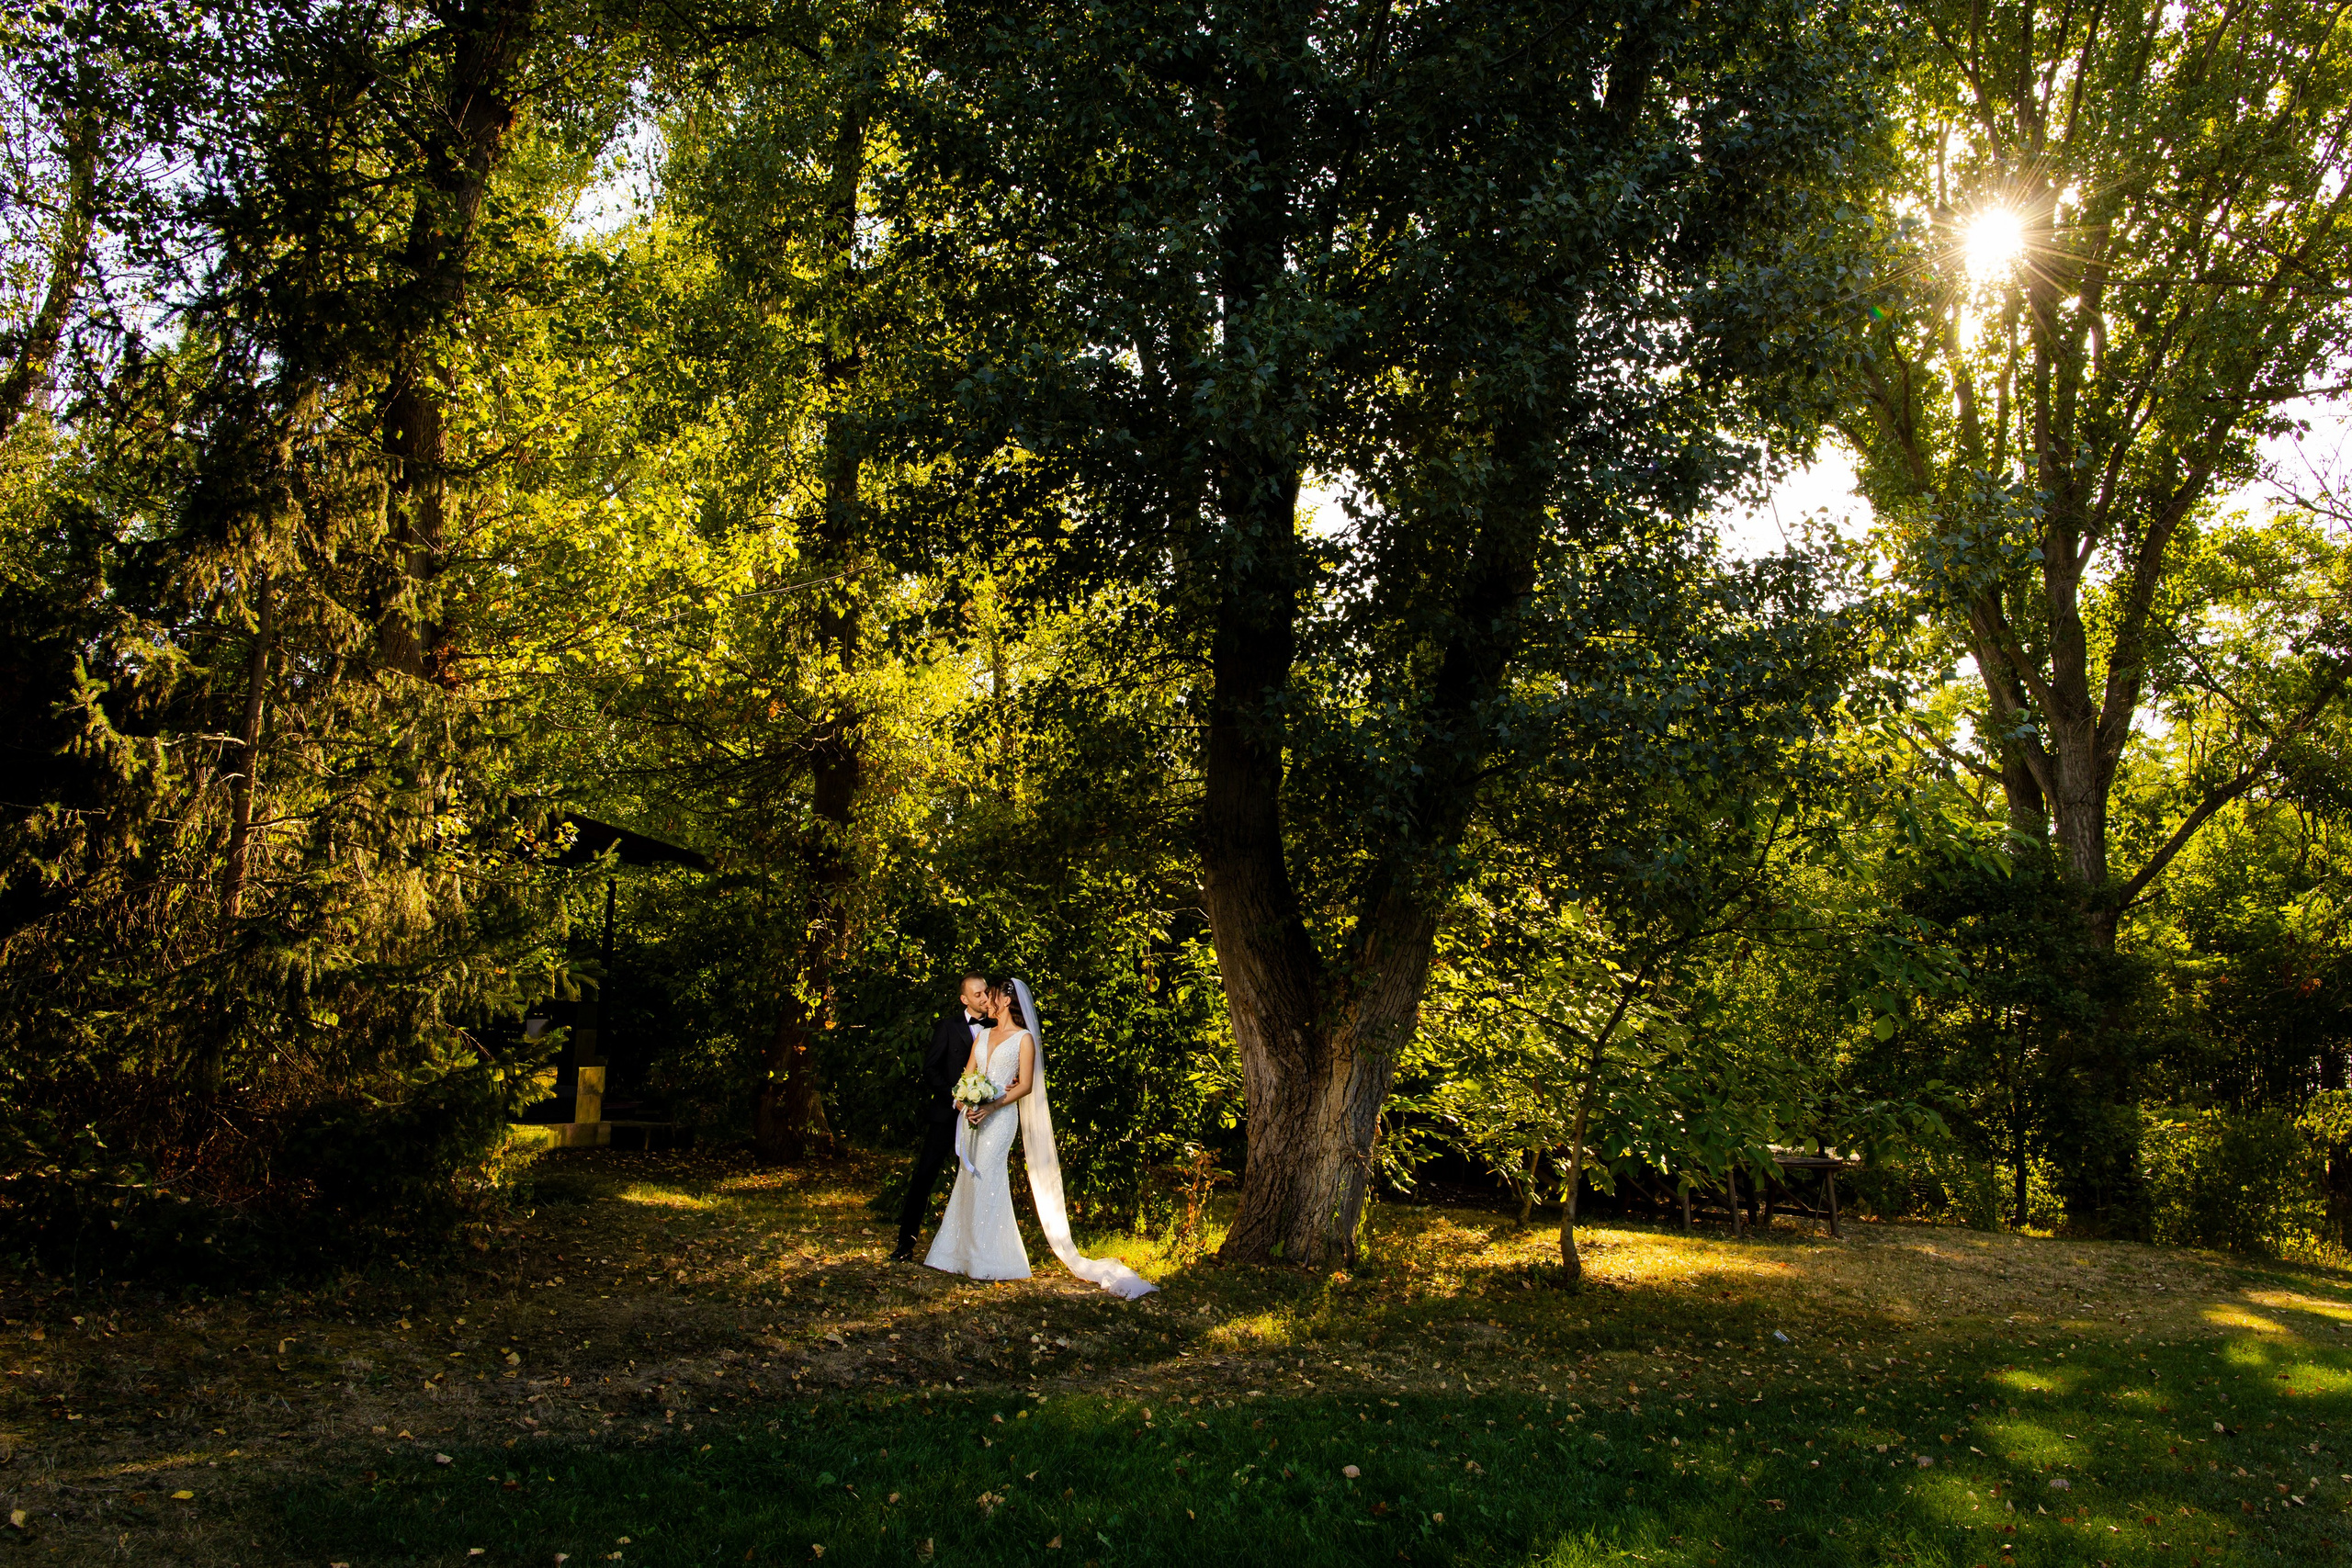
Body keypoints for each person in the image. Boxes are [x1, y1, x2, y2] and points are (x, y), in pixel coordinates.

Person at [923, 977, 1157, 1299]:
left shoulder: (1024, 1039)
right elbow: (967, 1075)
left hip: (1000, 1118)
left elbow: (1026, 1086)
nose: (987, 1000)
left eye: (991, 995)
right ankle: (958, 1253)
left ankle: (990, 1256)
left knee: (989, 1177)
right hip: (972, 1117)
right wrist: (964, 1100)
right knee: (968, 1177)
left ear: (1006, 1001)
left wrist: (990, 1106)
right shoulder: (985, 1034)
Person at [891, 974, 991, 1263]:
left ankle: (977, 1250)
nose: (984, 998)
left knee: (980, 1180)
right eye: (977, 995)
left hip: (984, 1117)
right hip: (947, 1116)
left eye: (986, 993)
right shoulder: (948, 1027)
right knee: (924, 1176)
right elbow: (930, 1069)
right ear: (964, 999)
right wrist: (957, 1098)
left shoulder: (999, 1028)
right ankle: (905, 1244)